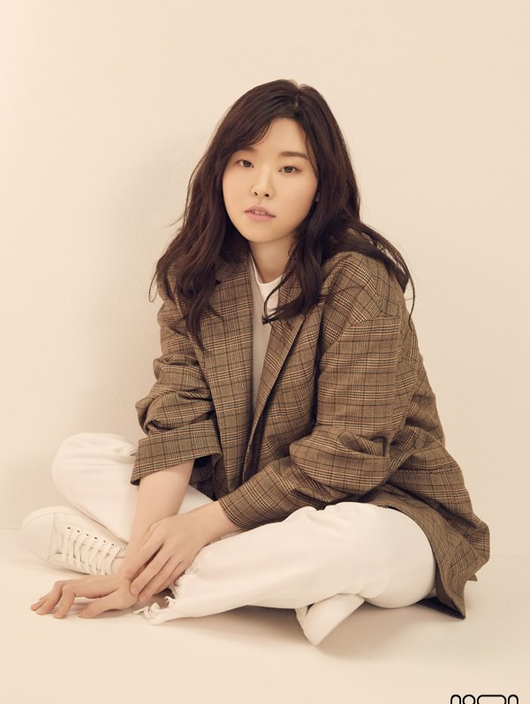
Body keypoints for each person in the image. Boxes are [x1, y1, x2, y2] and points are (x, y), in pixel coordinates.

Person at [22, 79, 490, 646]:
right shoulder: (197, 275)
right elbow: (178, 422)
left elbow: (349, 451)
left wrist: (197, 528)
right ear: (220, 170)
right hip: (254, 503)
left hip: (383, 507)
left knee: (354, 543)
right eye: (244, 162)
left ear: (322, 185)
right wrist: (157, 541)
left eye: (289, 168)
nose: (261, 185)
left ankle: (156, 569)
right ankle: (274, 582)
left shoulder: (359, 279)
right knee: (80, 456)